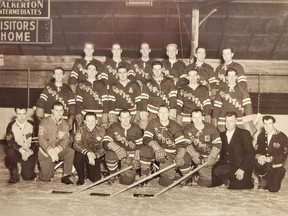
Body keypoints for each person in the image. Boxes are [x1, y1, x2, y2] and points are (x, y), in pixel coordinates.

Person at [140, 105, 192, 186]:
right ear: (158, 113)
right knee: (145, 150)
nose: (163, 115)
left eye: (165, 112)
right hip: (157, 151)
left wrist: (179, 155)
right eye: (161, 112)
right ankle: (145, 175)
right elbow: (146, 138)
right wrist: (156, 146)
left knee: (165, 182)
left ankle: (187, 176)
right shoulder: (153, 122)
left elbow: (181, 143)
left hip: (171, 154)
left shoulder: (175, 125)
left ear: (168, 113)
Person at [212, 111, 255, 189]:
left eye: (231, 121)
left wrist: (242, 169)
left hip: (241, 167)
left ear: (236, 122)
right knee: (216, 171)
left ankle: (247, 179)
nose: (228, 123)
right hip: (228, 166)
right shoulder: (221, 135)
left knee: (237, 187)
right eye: (227, 121)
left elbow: (250, 154)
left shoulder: (244, 134)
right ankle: (228, 179)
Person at [102, 109, 143, 185]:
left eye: (127, 117)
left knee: (127, 181)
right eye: (123, 117)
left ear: (130, 117)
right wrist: (116, 148)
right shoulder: (114, 127)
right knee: (109, 155)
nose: (125, 120)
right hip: (118, 153)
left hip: (131, 154)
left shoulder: (136, 127)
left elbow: (140, 144)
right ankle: (113, 174)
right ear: (119, 118)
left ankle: (130, 172)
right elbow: (105, 141)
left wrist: (137, 155)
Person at [38, 102, 75, 184]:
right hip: (46, 152)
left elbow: (66, 140)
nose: (59, 113)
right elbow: (41, 140)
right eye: (56, 110)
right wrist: (51, 151)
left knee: (70, 152)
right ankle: (42, 172)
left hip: (57, 151)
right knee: (46, 178)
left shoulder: (65, 124)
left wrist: (57, 150)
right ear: (52, 111)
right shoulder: (44, 122)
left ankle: (66, 175)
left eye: (61, 110)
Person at [183, 109, 222, 187]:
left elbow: (217, 144)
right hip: (195, 154)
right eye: (194, 118)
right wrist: (194, 155)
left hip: (208, 154)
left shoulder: (211, 128)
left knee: (207, 182)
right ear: (191, 119)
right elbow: (186, 144)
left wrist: (211, 157)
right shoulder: (187, 128)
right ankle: (187, 175)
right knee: (184, 156)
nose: (197, 120)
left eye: (199, 117)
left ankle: (195, 176)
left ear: (203, 118)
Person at [212, 68, 255, 135]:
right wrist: (214, 122)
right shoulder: (220, 90)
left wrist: (249, 121)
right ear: (226, 77)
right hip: (223, 121)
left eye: (233, 76)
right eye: (229, 76)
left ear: (236, 77)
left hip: (239, 121)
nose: (231, 78)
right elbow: (217, 108)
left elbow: (247, 105)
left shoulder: (242, 89)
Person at [254, 115, 288, 192]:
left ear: (274, 124)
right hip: (265, 164)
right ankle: (264, 179)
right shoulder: (261, 136)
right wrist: (259, 156)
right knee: (256, 163)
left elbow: (283, 155)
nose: (267, 126)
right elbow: (256, 150)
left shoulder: (282, 137)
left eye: (270, 123)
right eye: (265, 124)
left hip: (276, 165)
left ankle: (279, 174)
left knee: (273, 189)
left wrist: (270, 158)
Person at [5, 106, 38, 183]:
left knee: (28, 177)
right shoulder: (10, 125)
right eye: (19, 114)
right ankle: (14, 171)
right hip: (17, 151)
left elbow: (36, 142)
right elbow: (10, 141)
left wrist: (30, 151)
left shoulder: (33, 125)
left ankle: (25, 168)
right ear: (16, 114)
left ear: (26, 113)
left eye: (24, 114)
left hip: (29, 152)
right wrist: (22, 151)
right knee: (10, 152)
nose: (21, 117)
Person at [141, 61, 177, 128]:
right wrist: (143, 110)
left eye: (159, 69)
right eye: (155, 69)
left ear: (162, 69)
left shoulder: (169, 80)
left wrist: (172, 108)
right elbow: (144, 98)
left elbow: (173, 96)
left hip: (166, 111)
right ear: (152, 70)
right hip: (152, 110)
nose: (157, 71)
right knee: (151, 129)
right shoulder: (147, 82)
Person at [73, 112, 106, 185]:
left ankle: (87, 170)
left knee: (95, 179)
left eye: (93, 121)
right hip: (84, 154)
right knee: (77, 157)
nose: (90, 123)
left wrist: (95, 155)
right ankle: (81, 176)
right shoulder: (81, 129)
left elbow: (104, 147)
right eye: (88, 121)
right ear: (84, 122)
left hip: (95, 156)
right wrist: (88, 153)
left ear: (96, 121)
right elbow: (76, 144)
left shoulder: (102, 131)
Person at [75, 63, 109, 129]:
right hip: (85, 114)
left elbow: (105, 101)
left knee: (99, 136)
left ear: (96, 72)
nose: (91, 71)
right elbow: (78, 101)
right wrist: (78, 113)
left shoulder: (102, 84)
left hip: (99, 115)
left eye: (94, 70)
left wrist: (105, 114)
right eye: (89, 69)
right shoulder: (81, 84)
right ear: (86, 71)